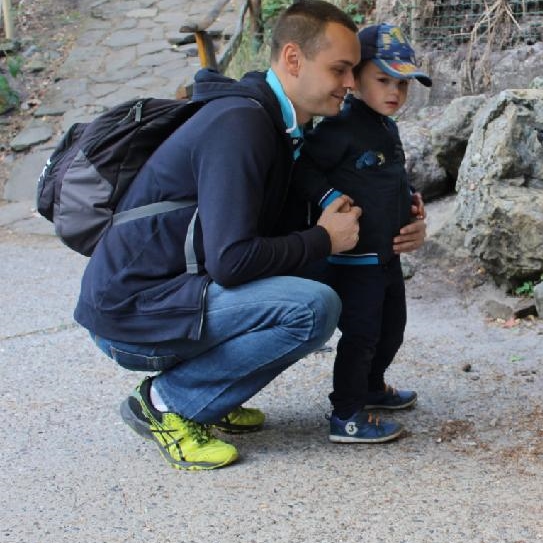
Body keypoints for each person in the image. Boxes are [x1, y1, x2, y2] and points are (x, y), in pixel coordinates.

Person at [74, 1, 368, 471]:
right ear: (293, 59)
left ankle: (211, 394)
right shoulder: (242, 123)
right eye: (340, 69)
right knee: (313, 307)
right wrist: (322, 239)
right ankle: (167, 404)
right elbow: (231, 261)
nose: (350, 84)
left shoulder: (275, 124)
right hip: (131, 314)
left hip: (165, 297)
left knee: (321, 274)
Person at [292, 22, 431, 443]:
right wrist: (332, 198)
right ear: (354, 81)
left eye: (403, 84)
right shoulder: (341, 125)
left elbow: (384, 175)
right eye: (383, 80)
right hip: (353, 259)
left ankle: (372, 386)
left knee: (393, 328)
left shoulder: (386, 126)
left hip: (385, 254)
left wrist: (410, 201)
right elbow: (302, 168)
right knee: (362, 334)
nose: (395, 92)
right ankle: (347, 413)